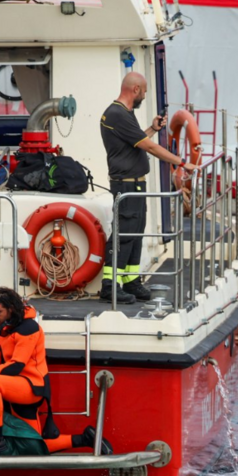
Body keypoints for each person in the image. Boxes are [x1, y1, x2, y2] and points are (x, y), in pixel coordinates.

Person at [0, 288, 113, 459]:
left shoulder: (29, 328)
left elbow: (16, 366)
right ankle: (85, 439)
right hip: (13, 386)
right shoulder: (4, 328)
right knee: (33, 446)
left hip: (31, 387)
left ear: (11, 309)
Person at [100, 72, 196, 305]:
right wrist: (182, 162)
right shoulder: (117, 114)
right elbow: (150, 148)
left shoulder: (123, 114)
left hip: (135, 185)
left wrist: (152, 128)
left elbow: (136, 141)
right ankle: (110, 286)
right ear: (135, 90)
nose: (144, 95)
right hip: (126, 185)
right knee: (124, 234)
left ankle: (131, 281)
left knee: (136, 232)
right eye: (143, 91)